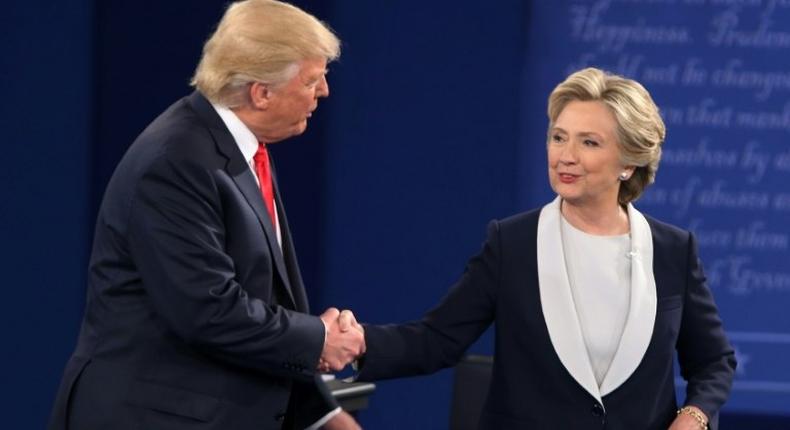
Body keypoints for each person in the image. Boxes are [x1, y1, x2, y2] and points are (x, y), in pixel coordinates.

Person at [344, 68, 736, 429]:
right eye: (558, 137)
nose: (566, 155)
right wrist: (358, 342)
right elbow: (437, 340)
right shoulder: (511, 243)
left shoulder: (672, 250)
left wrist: (694, 416)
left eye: (589, 142)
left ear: (628, 163)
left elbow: (714, 362)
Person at [48, 1, 364, 429]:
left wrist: (320, 412)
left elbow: (259, 298)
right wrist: (320, 338)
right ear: (261, 92)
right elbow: (208, 311)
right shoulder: (175, 163)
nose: (324, 91)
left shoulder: (236, 150)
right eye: (312, 79)